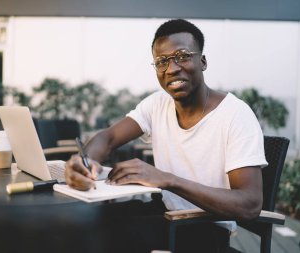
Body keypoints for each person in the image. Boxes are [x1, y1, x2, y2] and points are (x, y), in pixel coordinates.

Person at [65, 19, 268, 252]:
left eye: (182, 56)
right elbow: (108, 137)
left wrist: (168, 179)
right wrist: (86, 161)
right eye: (162, 61)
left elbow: (250, 204)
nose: (172, 68)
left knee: (113, 235)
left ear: (202, 61)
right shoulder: (157, 104)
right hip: (166, 213)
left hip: (207, 229)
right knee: (91, 219)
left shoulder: (235, 114)